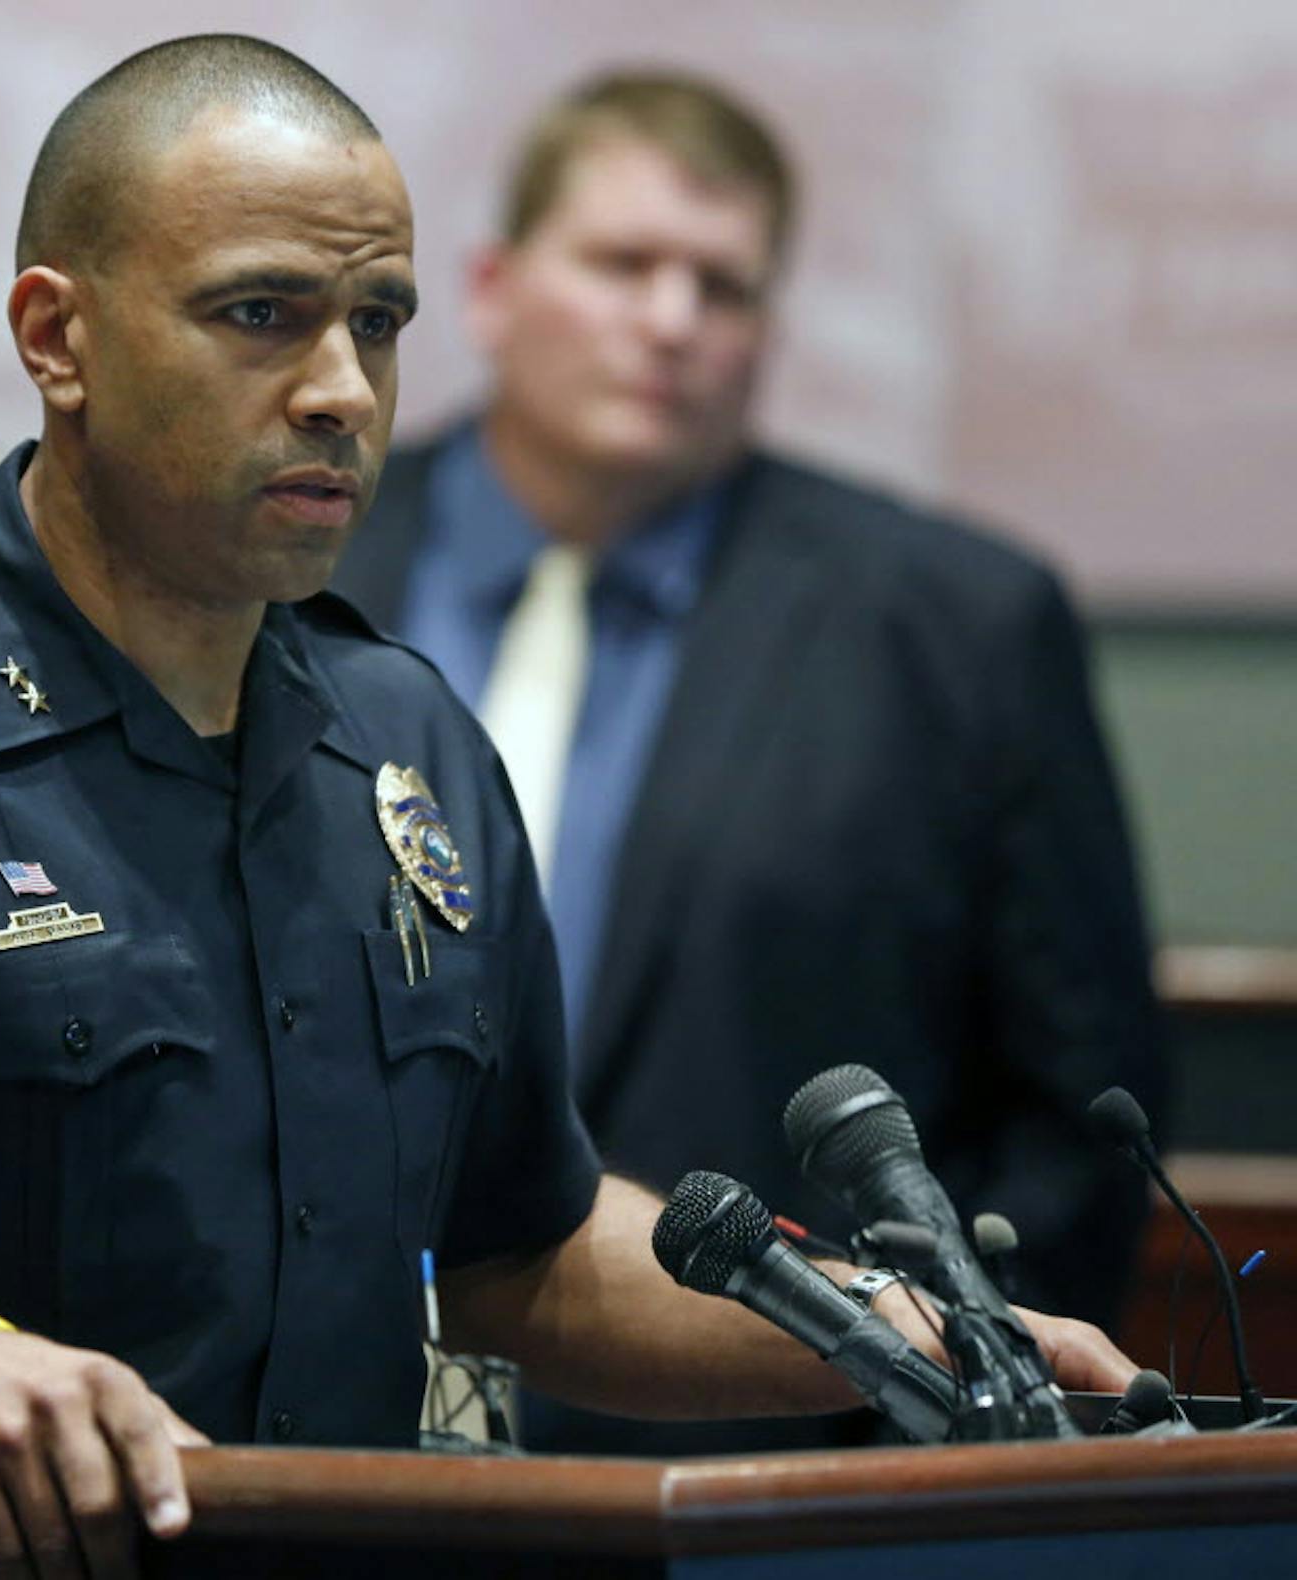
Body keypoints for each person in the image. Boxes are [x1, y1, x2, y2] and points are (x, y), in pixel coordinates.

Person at [0, 35, 1134, 1580]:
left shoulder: (406, 745)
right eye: (261, 315)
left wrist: (891, 1328)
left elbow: (520, 1251)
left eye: (377, 322)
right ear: (56, 337)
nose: (343, 387)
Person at [330, 71, 1166, 1455]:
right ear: (487, 287)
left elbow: (1077, 1123)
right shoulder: (305, 565)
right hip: (310, 1445)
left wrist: (958, 1441)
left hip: (774, 1472)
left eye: (723, 287)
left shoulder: (951, 627)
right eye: (622, 265)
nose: (671, 321)